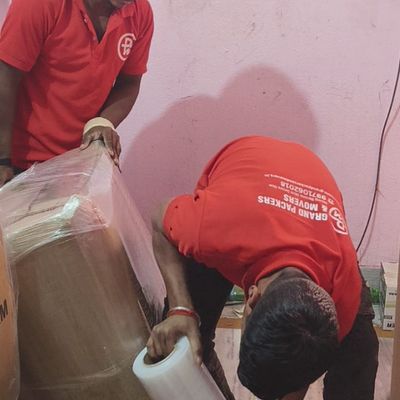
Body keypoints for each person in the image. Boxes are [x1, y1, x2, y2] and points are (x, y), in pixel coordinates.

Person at [147, 135, 379, 400]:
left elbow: (297, 372)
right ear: (251, 297)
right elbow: (158, 220)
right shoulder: (213, 228)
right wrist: (181, 308)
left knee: (359, 352)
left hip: (304, 191)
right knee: (182, 341)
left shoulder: (343, 294)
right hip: (243, 189)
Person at [0, 0, 153, 186]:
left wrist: (102, 122)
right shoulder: (40, 4)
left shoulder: (140, 12)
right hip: (17, 163)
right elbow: (5, 75)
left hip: (76, 166)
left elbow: (129, 82)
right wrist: (3, 159)